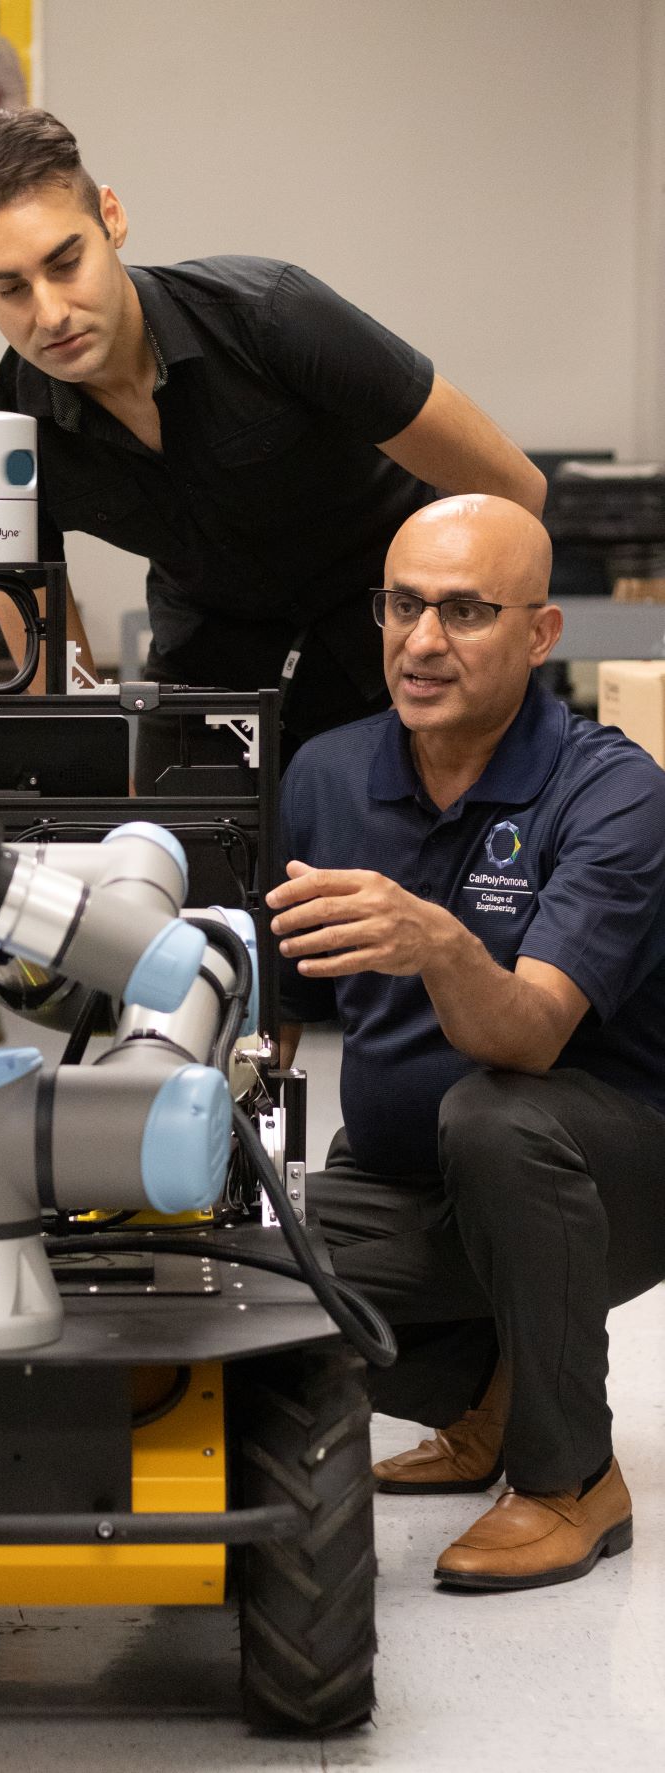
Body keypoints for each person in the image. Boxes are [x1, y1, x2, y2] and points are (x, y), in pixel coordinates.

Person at [267, 493, 665, 1590]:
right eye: (403, 606)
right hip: (403, 1178)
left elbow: (531, 1037)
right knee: (255, 1280)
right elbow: (279, 1018)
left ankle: (571, 1478)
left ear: (541, 634)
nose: (424, 641)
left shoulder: (612, 793)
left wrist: (438, 942)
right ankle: (485, 1393)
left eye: (466, 611)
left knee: (492, 1116)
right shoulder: (329, 776)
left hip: (606, 1178)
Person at [0, 108, 546, 785]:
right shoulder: (6, 439)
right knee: (165, 862)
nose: (49, 313)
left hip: (394, 651)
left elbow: (513, 491)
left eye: (66, 262)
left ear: (111, 218)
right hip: (210, 675)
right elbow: (57, 691)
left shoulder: (273, 317)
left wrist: (461, 658)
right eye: (10, 287)